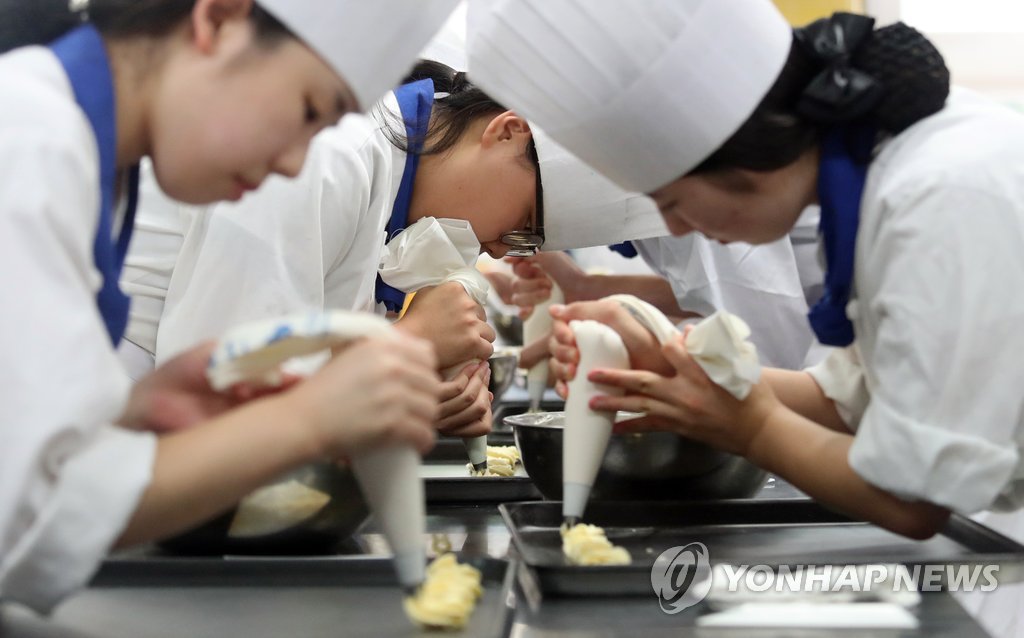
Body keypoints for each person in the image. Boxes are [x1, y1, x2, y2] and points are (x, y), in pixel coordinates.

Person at [468, 0, 1024, 546]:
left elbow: (912, 498)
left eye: (676, 202)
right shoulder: (872, 186)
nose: (680, 230)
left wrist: (749, 426)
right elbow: (851, 400)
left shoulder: (939, 195)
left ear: (744, 166)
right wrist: (671, 364)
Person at [0, 0, 458, 612]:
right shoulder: (31, 138)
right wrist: (308, 420)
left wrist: (132, 413)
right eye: (308, 112)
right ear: (216, 21)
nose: (296, 162)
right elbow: (28, 517)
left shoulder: (85, 151)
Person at [118, 58, 670, 436]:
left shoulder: (387, 199)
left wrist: (412, 395)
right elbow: (219, 394)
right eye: (524, 223)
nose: (503, 252)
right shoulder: (330, 156)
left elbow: (302, 370)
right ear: (507, 131)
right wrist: (408, 350)